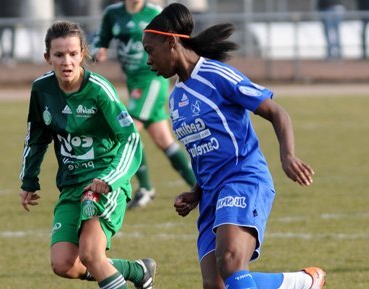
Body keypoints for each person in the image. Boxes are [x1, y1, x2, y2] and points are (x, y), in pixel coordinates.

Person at [142, 3, 325, 289]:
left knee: (229, 262)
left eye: (150, 51)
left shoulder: (216, 75)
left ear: (171, 42)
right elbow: (202, 152)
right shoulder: (175, 97)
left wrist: (287, 155)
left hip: (242, 179)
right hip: (210, 194)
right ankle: (300, 282)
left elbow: (277, 112)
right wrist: (195, 192)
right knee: (217, 285)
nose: (148, 60)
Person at [19, 21, 156, 289]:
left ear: (82, 53)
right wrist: (29, 181)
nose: (66, 61)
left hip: (102, 183)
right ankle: (137, 271)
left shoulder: (99, 90)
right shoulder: (42, 90)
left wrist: (111, 178)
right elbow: (36, 137)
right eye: (58, 55)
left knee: (92, 254)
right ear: (47, 57)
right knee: (64, 264)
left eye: (72, 54)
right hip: (71, 185)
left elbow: (130, 137)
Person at [92, 0, 196, 209]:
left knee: (127, 131)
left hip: (153, 79)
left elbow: (175, 41)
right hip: (133, 82)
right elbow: (99, 38)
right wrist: (98, 50)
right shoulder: (112, 13)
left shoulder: (154, 12)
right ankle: (201, 188)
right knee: (164, 141)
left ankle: (146, 188)